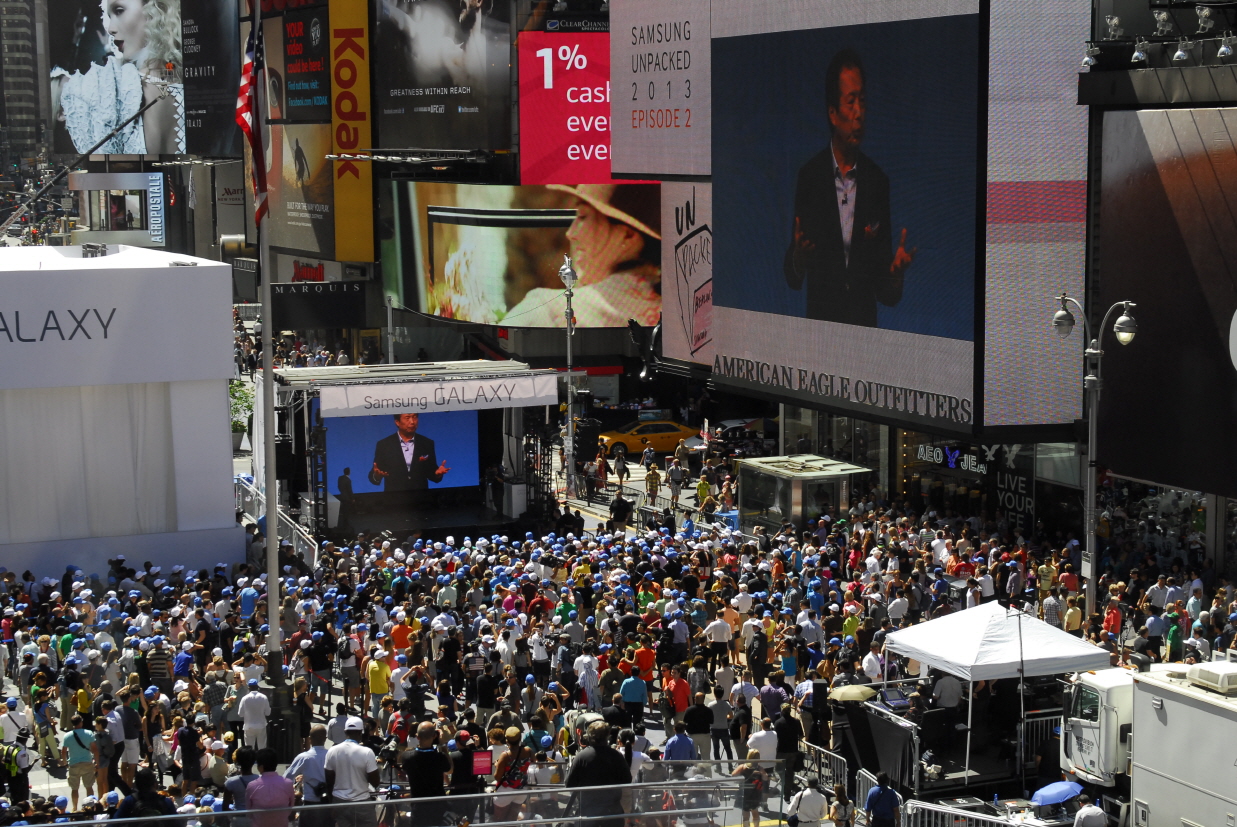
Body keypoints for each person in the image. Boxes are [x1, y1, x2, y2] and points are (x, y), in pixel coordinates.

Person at [782, 49, 914, 327]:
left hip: (862, 338)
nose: (859, 113)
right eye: (851, 102)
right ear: (832, 112)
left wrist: (895, 274)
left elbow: (884, 293)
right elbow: (793, 278)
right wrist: (799, 256)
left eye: (863, 102)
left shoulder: (877, 182)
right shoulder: (811, 177)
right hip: (820, 335)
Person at [501, 185, 662, 327]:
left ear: (627, 236)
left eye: (583, 217)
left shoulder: (549, 311)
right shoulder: (679, 317)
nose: (570, 234)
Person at [51, 0, 185, 154]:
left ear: (155, 8)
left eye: (119, 10)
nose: (110, 29)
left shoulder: (176, 74)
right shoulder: (110, 92)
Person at [563, 721, 631, 827]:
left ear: (589, 736)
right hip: (612, 812)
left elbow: (569, 783)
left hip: (588, 812)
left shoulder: (582, 756)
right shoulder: (616, 755)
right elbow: (627, 780)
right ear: (607, 736)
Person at [368, 413, 450, 491]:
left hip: (421, 498)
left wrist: (438, 473)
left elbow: (432, 474)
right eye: (407, 418)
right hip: (394, 499)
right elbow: (373, 476)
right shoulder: (384, 445)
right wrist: (377, 476)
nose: (412, 422)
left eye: (414, 417)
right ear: (397, 422)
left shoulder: (427, 443)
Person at [324, 718, 379, 827]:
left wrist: (332, 804)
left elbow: (329, 781)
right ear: (360, 732)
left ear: (345, 732)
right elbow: (375, 782)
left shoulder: (332, 751)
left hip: (339, 802)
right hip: (362, 803)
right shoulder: (367, 752)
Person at [402, 721, 451, 826]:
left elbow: (405, 768)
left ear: (417, 737)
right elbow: (450, 770)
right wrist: (442, 744)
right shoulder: (440, 757)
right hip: (438, 806)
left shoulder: (407, 757)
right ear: (434, 736)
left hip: (418, 807)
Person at [285, 725, 329, 827]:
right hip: (328, 803)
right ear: (325, 739)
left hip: (310, 803)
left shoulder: (304, 757)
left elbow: (286, 778)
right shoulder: (331, 755)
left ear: (310, 739)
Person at [246, 747, 295, 827]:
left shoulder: (252, 786)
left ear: (260, 767)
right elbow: (290, 807)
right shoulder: (288, 783)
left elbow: (249, 812)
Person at [60, 714, 97, 810]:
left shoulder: (67, 736)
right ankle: (90, 807)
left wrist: (65, 763)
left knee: (74, 788)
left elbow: (63, 752)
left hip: (73, 764)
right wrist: (96, 762)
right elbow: (94, 749)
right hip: (87, 763)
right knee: (89, 787)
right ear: (81, 722)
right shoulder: (89, 733)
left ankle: (75, 808)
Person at [732, 749, 768, 827]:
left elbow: (733, 775)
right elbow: (765, 777)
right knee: (755, 810)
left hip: (744, 792)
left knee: (745, 812)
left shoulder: (743, 767)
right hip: (756, 792)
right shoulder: (759, 768)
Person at [238, 680, 271, 749]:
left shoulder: (244, 699)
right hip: (261, 725)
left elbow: (240, 714)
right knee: (262, 748)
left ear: (249, 687)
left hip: (248, 726)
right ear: (257, 687)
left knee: (249, 748)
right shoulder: (264, 697)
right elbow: (268, 713)